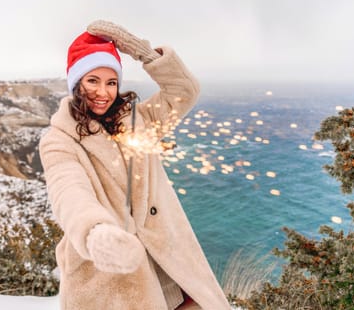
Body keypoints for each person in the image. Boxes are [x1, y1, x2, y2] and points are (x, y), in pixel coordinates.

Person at [39, 20, 231, 310]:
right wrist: (95, 231)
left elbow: (185, 92)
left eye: (111, 82)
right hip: (110, 274)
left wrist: (144, 53)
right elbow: (68, 191)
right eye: (93, 80)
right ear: (76, 83)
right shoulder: (59, 140)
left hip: (169, 265)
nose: (103, 92)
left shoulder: (138, 119)